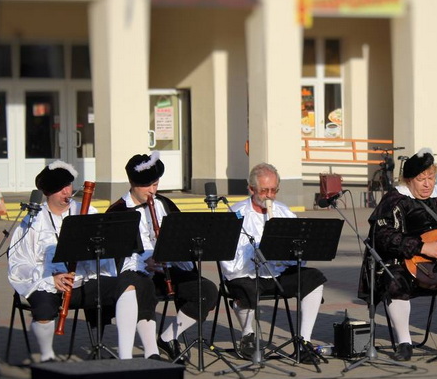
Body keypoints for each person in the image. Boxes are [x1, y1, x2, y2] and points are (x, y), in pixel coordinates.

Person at [7, 160, 162, 362]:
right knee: (43, 306)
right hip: (51, 283)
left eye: (68, 187)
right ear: (47, 193)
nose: (66, 193)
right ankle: (47, 356)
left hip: (85, 280)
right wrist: (50, 278)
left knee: (129, 284)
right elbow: (20, 262)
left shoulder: (87, 211)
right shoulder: (33, 220)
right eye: (60, 190)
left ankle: (126, 357)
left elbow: (109, 248)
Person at [362, 148, 437, 362]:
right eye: (421, 179)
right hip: (406, 265)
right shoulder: (395, 199)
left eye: (431, 178)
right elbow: (382, 236)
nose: (428, 184)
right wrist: (422, 247)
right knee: (394, 281)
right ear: (408, 180)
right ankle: (404, 343)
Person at [107, 152, 218, 363]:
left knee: (207, 291)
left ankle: (168, 338)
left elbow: (183, 234)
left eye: (155, 184)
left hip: (168, 268)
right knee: (143, 288)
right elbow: (115, 257)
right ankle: (151, 352)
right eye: (146, 186)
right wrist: (145, 262)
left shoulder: (164, 204)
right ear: (132, 183)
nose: (152, 191)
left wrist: (176, 251)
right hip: (137, 272)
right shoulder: (118, 210)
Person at [220, 162, 328, 360]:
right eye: (264, 190)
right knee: (245, 288)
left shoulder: (283, 211)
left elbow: (299, 245)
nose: (269, 195)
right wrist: (256, 253)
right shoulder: (237, 213)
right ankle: (247, 335)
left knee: (314, 278)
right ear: (251, 189)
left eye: (273, 190)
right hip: (248, 273)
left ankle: (304, 341)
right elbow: (228, 259)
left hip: (277, 273)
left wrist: (293, 251)